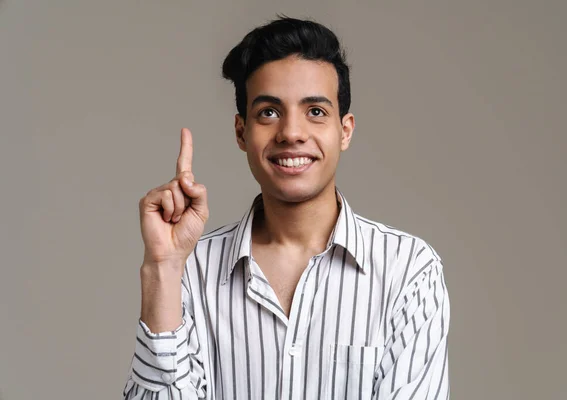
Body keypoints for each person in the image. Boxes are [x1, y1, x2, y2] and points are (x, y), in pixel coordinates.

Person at [122, 16, 450, 400]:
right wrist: (162, 267)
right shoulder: (190, 271)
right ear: (242, 132)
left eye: (315, 111)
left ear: (345, 130)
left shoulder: (407, 271)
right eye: (269, 112)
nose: (291, 133)